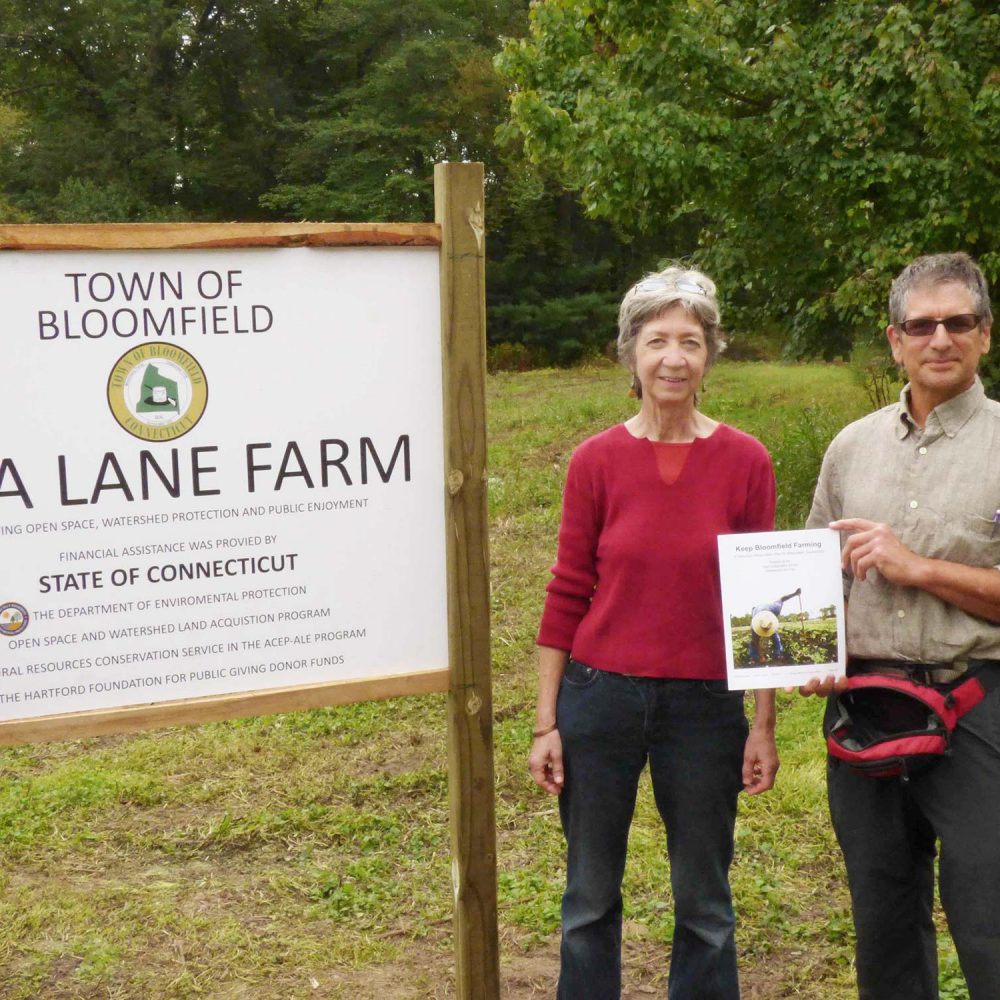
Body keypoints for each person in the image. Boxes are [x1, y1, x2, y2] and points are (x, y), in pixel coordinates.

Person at [529, 266, 780, 1000]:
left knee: (705, 904)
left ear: (710, 356)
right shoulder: (596, 461)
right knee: (589, 898)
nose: (674, 357)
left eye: (691, 341)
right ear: (631, 354)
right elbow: (567, 589)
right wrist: (547, 721)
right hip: (599, 699)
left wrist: (762, 724)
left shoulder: (746, 460)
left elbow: (761, 599)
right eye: (658, 340)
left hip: (704, 708)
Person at [803, 251, 1000, 999]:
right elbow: (814, 576)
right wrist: (807, 652)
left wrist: (920, 569)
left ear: (985, 334)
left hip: (980, 707)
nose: (940, 339)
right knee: (882, 919)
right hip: (868, 708)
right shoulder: (851, 447)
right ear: (895, 340)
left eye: (959, 322)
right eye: (922, 325)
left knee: (990, 919)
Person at [748, 588, 801, 662]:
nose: (766, 632)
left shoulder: (775, 608)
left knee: (775, 636)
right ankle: (754, 657)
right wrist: (761, 656)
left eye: (767, 630)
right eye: (764, 630)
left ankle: (778, 654)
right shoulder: (754, 625)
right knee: (753, 642)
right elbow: (755, 642)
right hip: (756, 611)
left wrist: (795, 593)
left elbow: (782, 598)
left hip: (766, 612)